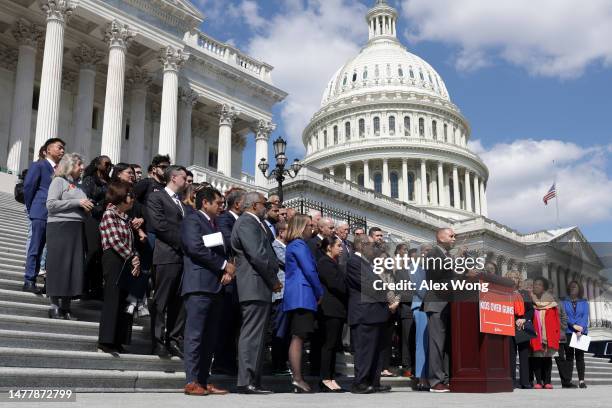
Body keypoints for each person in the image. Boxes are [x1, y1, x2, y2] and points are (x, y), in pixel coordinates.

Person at [181, 187, 234, 396]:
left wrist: (228, 269)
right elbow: (195, 248)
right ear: (205, 203)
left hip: (216, 286)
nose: (221, 207)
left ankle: (203, 380)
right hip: (199, 285)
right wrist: (223, 265)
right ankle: (191, 381)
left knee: (210, 337)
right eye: (218, 203)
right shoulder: (192, 220)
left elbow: (222, 251)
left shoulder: (215, 224)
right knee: (195, 335)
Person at [231, 192, 282, 394]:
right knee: (252, 334)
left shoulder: (255, 223)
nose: (267, 207)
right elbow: (258, 255)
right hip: (253, 285)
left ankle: (254, 379)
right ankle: (246, 380)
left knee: (258, 336)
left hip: (260, 285)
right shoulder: (246, 223)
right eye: (264, 204)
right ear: (254, 205)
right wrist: (273, 280)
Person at [148, 165, 188, 358]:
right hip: (166, 255)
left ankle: (173, 339)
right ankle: (157, 340)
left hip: (183, 259)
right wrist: (183, 243)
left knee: (179, 302)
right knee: (161, 300)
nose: (186, 181)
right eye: (184, 177)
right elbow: (158, 225)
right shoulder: (157, 197)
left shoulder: (182, 203)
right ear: (173, 177)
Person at [45, 153, 91, 319]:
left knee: (72, 267)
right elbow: (51, 204)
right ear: (70, 166)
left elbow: (81, 204)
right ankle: (54, 306)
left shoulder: (78, 186)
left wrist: (87, 207)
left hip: (76, 228)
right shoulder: (58, 181)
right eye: (79, 165)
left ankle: (66, 306)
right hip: (59, 227)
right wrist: (77, 203)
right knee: (59, 265)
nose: (82, 168)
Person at [345, 236, 392, 394]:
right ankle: (360, 383)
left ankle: (373, 382)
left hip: (376, 313)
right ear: (362, 245)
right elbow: (366, 284)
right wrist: (387, 292)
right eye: (373, 246)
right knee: (365, 351)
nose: (376, 249)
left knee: (377, 351)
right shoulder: (353, 262)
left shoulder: (368, 263)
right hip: (364, 313)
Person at [97, 181, 140, 353]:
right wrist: (132, 257)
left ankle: (118, 340)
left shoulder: (125, 218)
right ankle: (106, 340)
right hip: (113, 259)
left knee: (124, 301)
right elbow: (114, 240)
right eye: (130, 195)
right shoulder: (109, 214)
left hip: (126, 259)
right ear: (121, 197)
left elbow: (130, 241)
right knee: (113, 299)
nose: (132, 199)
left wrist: (135, 257)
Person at [283, 214, 324, 393]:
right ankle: (298, 378)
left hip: (300, 295)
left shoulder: (296, 245)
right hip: (302, 295)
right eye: (309, 225)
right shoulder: (299, 245)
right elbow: (309, 269)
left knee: (299, 336)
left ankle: (299, 377)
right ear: (301, 227)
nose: (311, 229)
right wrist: (319, 291)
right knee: (298, 336)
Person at [22, 138, 65, 294]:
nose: (62, 151)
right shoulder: (39, 165)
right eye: (59, 147)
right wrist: (31, 207)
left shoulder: (60, 170)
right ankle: (29, 280)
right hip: (40, 211)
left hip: (55, 215)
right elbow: (28, 187)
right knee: (36, 247)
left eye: (63, 148)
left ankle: (48, 282)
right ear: (48, 150)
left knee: (50, 249)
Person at [211, 187, 245, 375]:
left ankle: (230, 361)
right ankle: (221, 362)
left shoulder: (240, 220)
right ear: (238, 203)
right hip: (229, 276)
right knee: (226, 321)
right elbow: (229, 242)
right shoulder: (225, 219)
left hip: (240, 278)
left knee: (234, 322)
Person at [424, 227, 457, 393]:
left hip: (449, 305)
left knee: (445, 345)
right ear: (441, 237)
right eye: (451, 235)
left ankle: (445, 378)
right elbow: (435, 275)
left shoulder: (447, 256)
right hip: (436, 304)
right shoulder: (433, 254)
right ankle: (435, 381)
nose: (454, 238)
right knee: (437, 344)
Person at [316, 236, 347, 392]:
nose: (341, 248)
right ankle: (325, 378)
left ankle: (331, 376)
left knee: (333, 344)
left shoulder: (334, 263)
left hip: (337, 309)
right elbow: (336, 284)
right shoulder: (324, 263)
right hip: (329, 309)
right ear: (329, 247)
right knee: (328, 344)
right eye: (338, 246)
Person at [82, 155, 113, 299]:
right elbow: (88, 197)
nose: (109, 167)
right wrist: (103, 200)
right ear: (98, 164)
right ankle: (84, 285)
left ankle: (96, 287)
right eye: (106, 164)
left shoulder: (109, 181)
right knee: (92, 251)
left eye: (110, 165)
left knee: (101, 253)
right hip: (92, 218)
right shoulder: (89, 179)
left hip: (105, 219)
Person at [530, 276, 561, 389]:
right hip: (536, 334)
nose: (536, 286)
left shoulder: (552, 304)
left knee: (547, 358)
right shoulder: (531, 301)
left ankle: (547, 381)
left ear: (544, 288)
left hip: (549, 335)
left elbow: (556, 321)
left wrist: (556, 334)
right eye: (535, 284)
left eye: (539, 284)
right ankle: (538, 381)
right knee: (537, 358)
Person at [505, 270, 532, 389]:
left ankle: (525, 381)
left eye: (515, 277)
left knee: (524, 354)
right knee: (510, 355)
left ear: (519, 280)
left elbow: (531, 310)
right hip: (509, 325)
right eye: (510, 277)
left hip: (522, 325)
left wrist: (524, 319)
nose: (513, 279)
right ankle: (511, 381)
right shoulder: (503, 292)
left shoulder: (525, 293)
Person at [561, 280, 589, 389]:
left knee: (580, 357)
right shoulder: (564, 302)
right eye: (571, 287)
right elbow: (564, 316)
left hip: (581, 331)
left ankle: (581, 381)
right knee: (569, 357)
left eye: (575, 287)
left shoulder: (584, 302)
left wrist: (580, 328)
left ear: (579, 289)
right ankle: (568, 381)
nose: (573, 288)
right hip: (568, 330)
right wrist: (573, 326)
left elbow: (585, 316)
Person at [410, 244, 431, 391]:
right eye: (427, 251)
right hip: (422, 307)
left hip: (435, 308)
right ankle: (421, 378)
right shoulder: (415, 266)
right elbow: (419, 288)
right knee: (422, 344)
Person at [271, 221, 290, 375]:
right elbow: (288, 263)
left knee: (287, 330)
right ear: (281, 232)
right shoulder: (275, 246)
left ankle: (283, 362)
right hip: (281, 293)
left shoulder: (287, 247)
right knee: (280, 329)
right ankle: (278, 363)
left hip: (289, 294)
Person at [394, 244, 416, 378]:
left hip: (421, 309)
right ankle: (407, 367)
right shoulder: (401, 272)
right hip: (407, 309)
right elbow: (401, 292)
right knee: (407, 339)